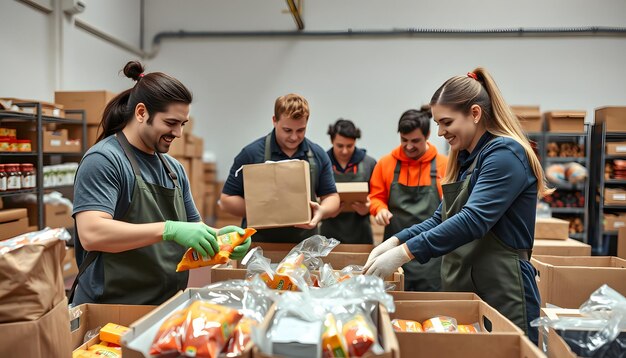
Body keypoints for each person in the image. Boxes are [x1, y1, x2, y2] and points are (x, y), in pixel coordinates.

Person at [364, 68, 549, 344]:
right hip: (471, 288)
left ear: (475, 114)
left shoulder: (504, 155)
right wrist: (394, 241)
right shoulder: (469, 160)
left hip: (503, 290)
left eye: (446, 122)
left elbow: (473, 220)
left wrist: (405, 253)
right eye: (438, 123)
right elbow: (440, 218)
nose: (439, 132)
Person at [69, 61, 251, 305]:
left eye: (182, 124)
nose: (178, 133)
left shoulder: (173, 169)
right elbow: (92, 233)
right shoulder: (105, 160)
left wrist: (224, 239)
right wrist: (168, 230)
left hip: (164, 305)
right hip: (111, 306)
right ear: (142, 113)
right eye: (171, 123)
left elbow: (193, 229)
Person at [220, 93, 340, 242]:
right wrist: (261, 210)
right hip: (260, 245)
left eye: (300, 130)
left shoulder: (318, 155)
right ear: (274, 121)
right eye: (287, 130)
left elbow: (332, 197)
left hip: (304, 245)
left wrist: (322, 211)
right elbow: (226, 200)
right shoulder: (250, 154)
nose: (294, 137)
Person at [368, 107, 448, 291]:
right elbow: (375, 197)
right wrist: (379, 209)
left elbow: (449, 209)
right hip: (393, 254)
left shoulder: (445, 165)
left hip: (431, 257)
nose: (409, 146)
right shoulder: (385, 163)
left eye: (415, 141)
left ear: (428, 135)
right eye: (404, 140)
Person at [320, 119, 377, 244]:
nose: (344, 151)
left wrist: (369, 208)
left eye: (349, 146)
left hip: (360, 233)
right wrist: (326, 210)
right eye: (340, 146)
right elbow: (313, 198)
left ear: (355, 141)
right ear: (331, 141)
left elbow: (378, 196)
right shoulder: (322, 163)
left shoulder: (369, 163)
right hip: (328, 234)